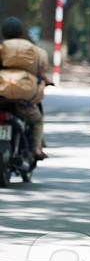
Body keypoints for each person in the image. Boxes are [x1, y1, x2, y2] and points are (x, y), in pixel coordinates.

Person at [0, 16, 48, 160]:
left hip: (1, 99)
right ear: (21, 34)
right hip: (23, 102)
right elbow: (40, 71)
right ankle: (37, 149)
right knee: (37, 121)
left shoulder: (2, 49)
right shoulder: (32, 50)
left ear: (3, 34)